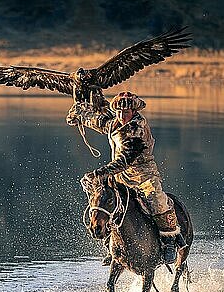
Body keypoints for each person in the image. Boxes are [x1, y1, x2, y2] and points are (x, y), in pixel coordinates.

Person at [67, 91, 184, 264]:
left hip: (143, 174)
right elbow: (101, 122)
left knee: (157, 200)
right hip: (120, 175)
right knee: (103, 197)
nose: (122, 115)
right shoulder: (116, 122)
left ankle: (169, 241)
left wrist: (100, 173)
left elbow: (125, 160)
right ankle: (111, 241)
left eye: (126, 112)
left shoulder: (137, 127)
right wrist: (80, 117)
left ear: (134, 112)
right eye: (119, 112)